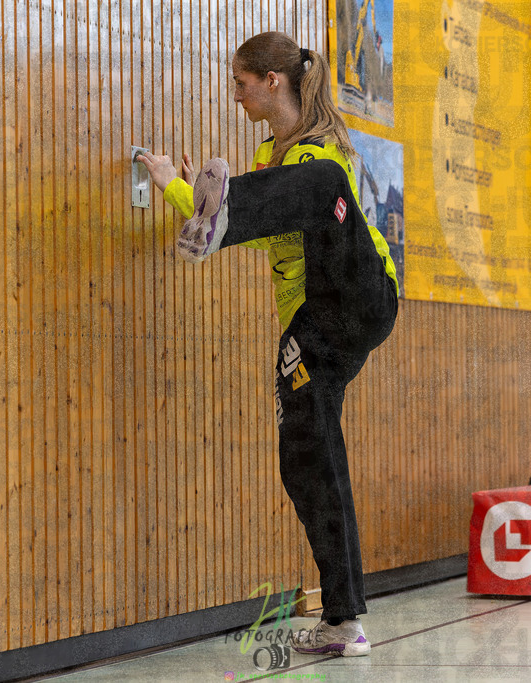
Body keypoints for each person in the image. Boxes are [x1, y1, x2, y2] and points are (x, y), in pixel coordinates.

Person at [139, 30, 398, 658]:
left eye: (240, 82)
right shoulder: (267, 156)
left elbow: (316, 202)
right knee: (307, 458)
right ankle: (343, 619)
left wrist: (225, 206)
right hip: (316, 329)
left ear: (272, 81)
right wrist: (178, 189)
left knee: (322, 183)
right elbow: (265, 237)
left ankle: (222, 212)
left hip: (359, 289)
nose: (235, 95)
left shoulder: (323, 151)